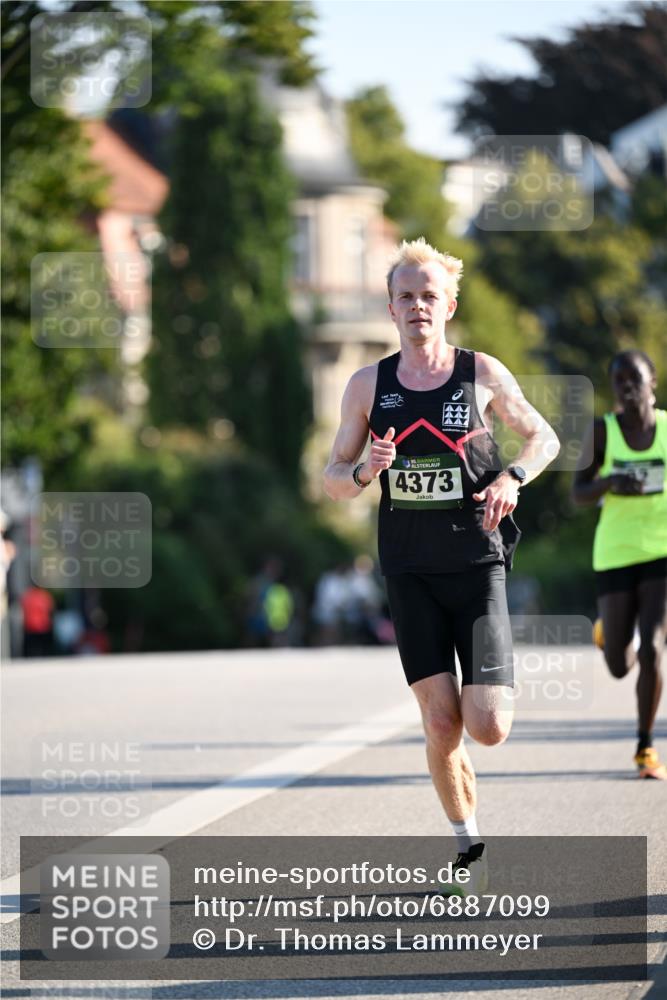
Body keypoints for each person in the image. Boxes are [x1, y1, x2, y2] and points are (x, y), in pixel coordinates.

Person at [324, 237, 559, 890]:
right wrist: (362, 470)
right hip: (408, 570)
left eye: (429, 296)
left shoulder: (479, 372)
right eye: (405, 296)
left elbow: (544, 437)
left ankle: (478, 718)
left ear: (448, 304)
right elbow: (332, 477)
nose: (417, 306)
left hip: (476, 562)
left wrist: (511, 475)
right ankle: (467, 845)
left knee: (485, 726)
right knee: (438, 721)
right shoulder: (367, 385)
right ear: (390, 308)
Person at [573, 350, 666, 779]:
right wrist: (610, 481)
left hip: (661, 552)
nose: (628, 387)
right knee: (617, 664)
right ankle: (607, 633)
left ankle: (646, 747)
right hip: (614, 552)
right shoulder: (601, 432)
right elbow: (578, 493)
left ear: (653, 383)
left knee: (652, 648)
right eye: (619, 381)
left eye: (636, 379)